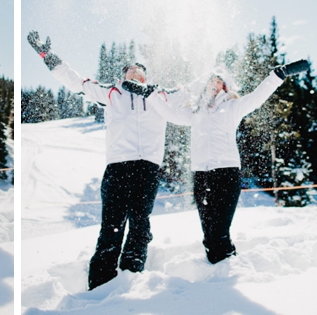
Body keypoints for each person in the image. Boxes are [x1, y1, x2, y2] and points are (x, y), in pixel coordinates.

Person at [27, 30, 181, 290]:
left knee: (141, 225)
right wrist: (47, 55)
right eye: (130, 70)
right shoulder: (111, 94)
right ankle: (99, 285)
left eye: (139, 70)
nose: (135, 72)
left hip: (148, 169)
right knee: (112, 226)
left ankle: (131, 277)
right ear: (123, 76)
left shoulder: (160, 96)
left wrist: (219, 78)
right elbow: (75, 81)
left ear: (147, 76)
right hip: (118, 168)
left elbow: (192, 91)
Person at [124, 59, 309, 264]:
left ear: (225, 87)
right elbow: (169, 113)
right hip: (201, 177)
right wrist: (148, 94)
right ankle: (214, 275)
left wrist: (278, 75)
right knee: (209, 234)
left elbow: (257, 97)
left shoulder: (233, 107)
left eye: (219, 81)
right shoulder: (195, 112)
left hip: (226, 174)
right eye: (211, 80)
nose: (214, 83)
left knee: (219, 232)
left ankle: (227, 270)